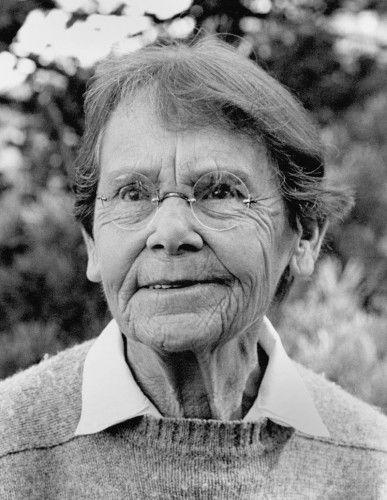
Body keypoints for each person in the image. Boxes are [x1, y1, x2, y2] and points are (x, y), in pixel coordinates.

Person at [1, 36, 387, 499]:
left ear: (304, 236)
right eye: (133, 194)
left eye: (220, 191)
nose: (169, 232)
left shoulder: (369, 465)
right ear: (93, 244)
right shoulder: (13, 451)